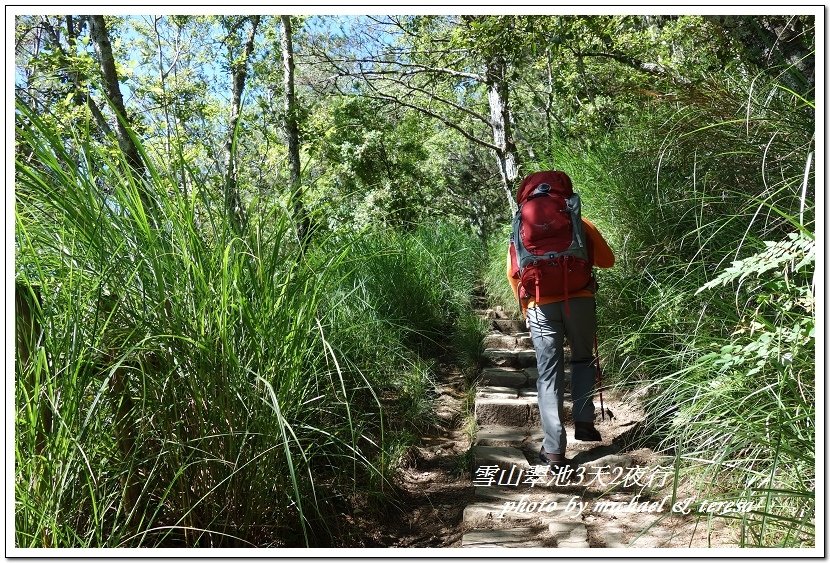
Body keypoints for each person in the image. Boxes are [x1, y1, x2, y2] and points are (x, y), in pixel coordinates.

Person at [506, 193, 615, 469]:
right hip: (579, 300)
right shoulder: (578, 221)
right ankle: (584, 423)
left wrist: (525, 309)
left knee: (548, 373)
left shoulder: (522, 224)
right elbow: (607, 260)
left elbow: (513, 273)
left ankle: (554, 449)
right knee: (582, 358)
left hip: (540, 304)